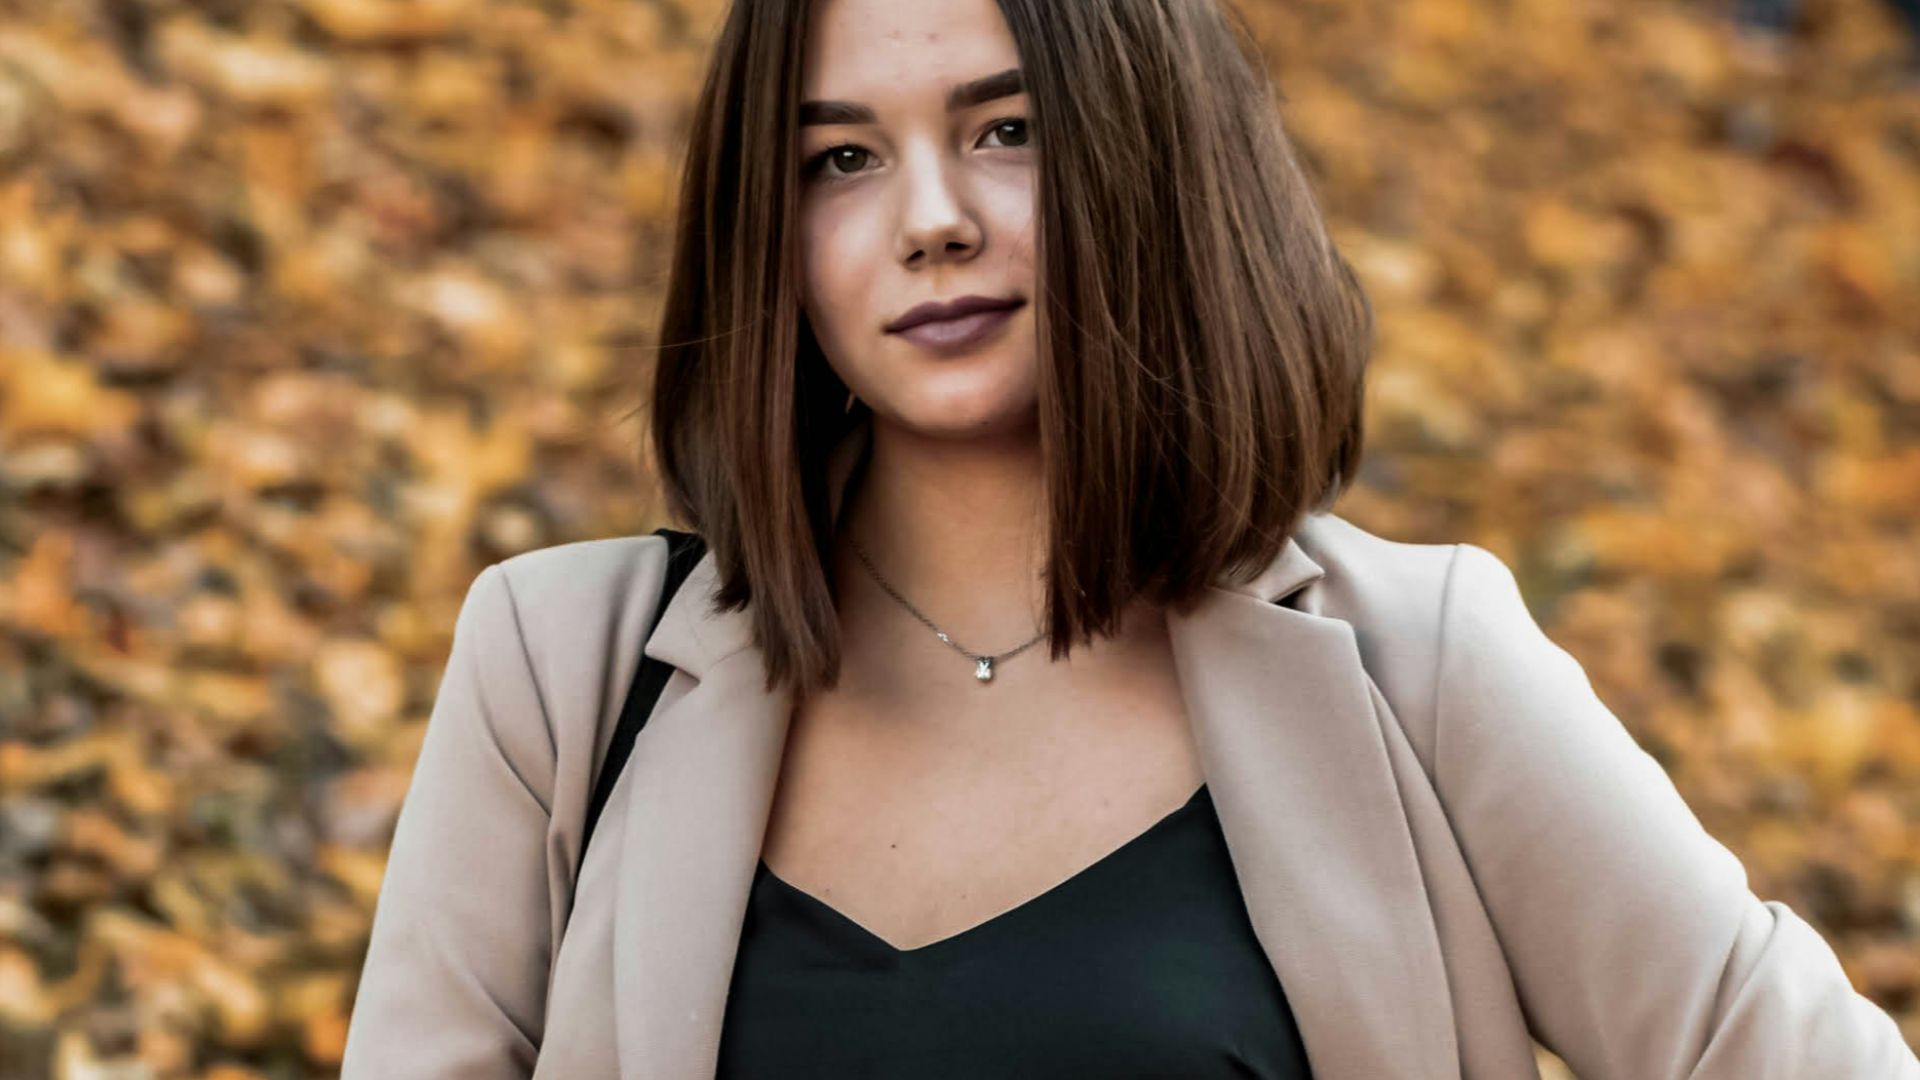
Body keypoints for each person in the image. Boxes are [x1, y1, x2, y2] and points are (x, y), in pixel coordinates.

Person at [339, 0, 1920, 1077]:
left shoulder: (1418, 665)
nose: (931, 217)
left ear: (1150, 165)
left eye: (1008, 130)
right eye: (841, 158)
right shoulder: (564, 672)